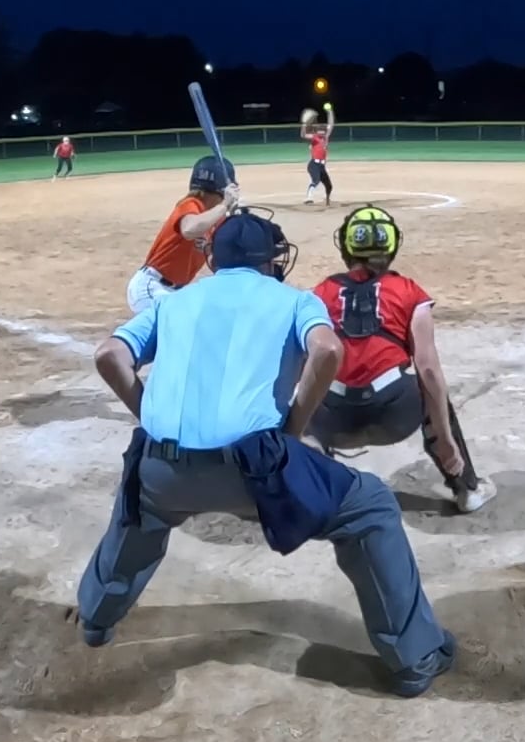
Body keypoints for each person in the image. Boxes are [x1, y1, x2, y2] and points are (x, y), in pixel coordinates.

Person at [77, 210, 458, 697]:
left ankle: (96, 617)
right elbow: (328, 351)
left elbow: (109, 356)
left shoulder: (173, 303)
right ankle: (415, 657)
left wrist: (149, 416)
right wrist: (294, 430)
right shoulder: (295, 300)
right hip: (255, 469)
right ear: (268, 261)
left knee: (138, 511)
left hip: (163, 470)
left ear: (215, 260)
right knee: (370, 507)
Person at [310, 205, 493, 513]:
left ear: (345, 246)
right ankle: (466, 488)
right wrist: (444, 437)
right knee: (433, 394)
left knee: (308, 397)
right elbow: (428, 369)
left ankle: (317, 488)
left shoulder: (321, 292)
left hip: (334, 423)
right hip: (394, 414)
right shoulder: (408, 290)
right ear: (392, 245)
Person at [126, 155, 240, 313]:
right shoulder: (190, 204)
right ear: (219, 191)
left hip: (175, 291)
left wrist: (233, 217)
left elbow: (219, 257)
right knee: (180, 320)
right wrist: (224, 205)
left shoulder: (214, 219)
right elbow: (189, 230)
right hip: (151, 287)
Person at [302, 104, 334, 206]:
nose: (321, 132)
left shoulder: (325, 138)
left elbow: (331, 124)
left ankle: (327, 200)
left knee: (329, 186)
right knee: (316, 180)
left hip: (321, 166)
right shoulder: (315, 138)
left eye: (323, 131)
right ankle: (308, 198)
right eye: (320, 130)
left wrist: (330, 112)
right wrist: (304, 124)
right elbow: (303, 135)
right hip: (313, 165)